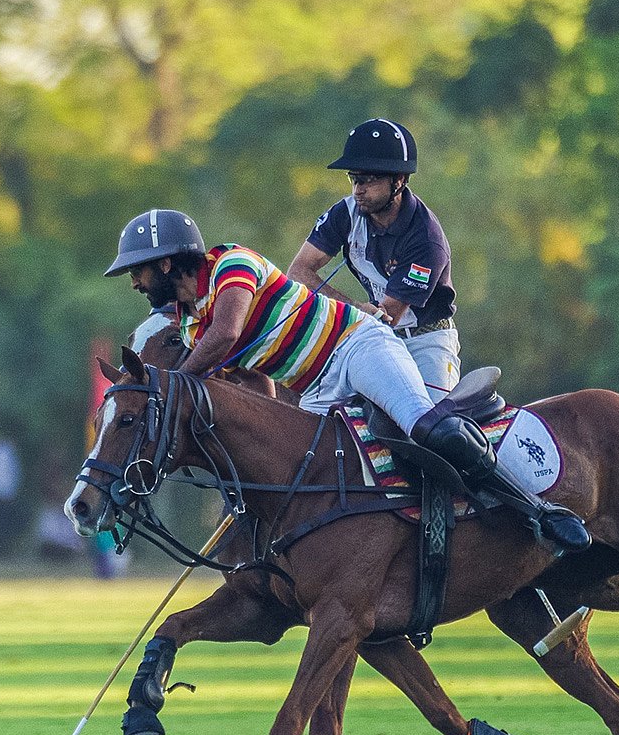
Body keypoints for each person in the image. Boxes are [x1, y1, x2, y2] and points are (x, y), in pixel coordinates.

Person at [104, 209, 588, 552]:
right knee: (298, 480)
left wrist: (163, 391)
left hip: (356, 346)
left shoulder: (231, 264)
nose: (134, 282)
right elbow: (257, 384)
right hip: (316, 387)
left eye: (138, 271)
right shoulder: (190, 324)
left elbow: (229, 332)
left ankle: (537, 511)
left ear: (168, 262)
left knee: (423, 424)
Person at [287, 118, 459, 397]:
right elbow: (298, 272)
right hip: (373, 332)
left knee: (429, 429)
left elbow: (388, 315)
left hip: (425, 341)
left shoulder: (426, 238)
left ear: (398, 181)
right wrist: (353, 306)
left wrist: (355, 313)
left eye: (369, 180)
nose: (358, 190)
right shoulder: (345, 213)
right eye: (354, 179)